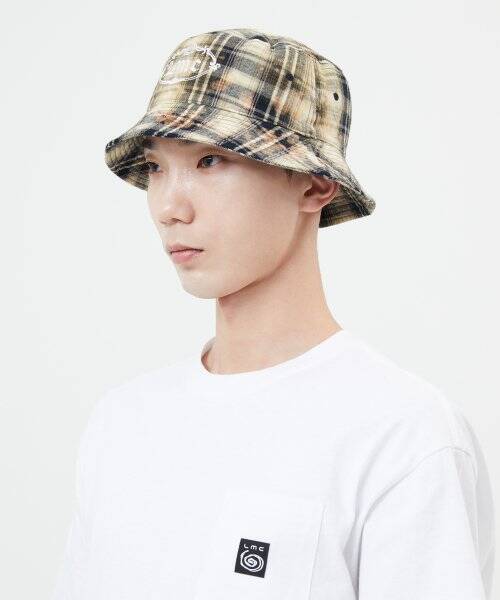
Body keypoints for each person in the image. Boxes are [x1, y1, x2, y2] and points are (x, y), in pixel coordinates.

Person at [51, 27, 495, 600]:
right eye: (157, 167)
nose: (169, 207)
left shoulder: (403, 434)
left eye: (209, 160)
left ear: (314, 185)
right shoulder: (120, 423)